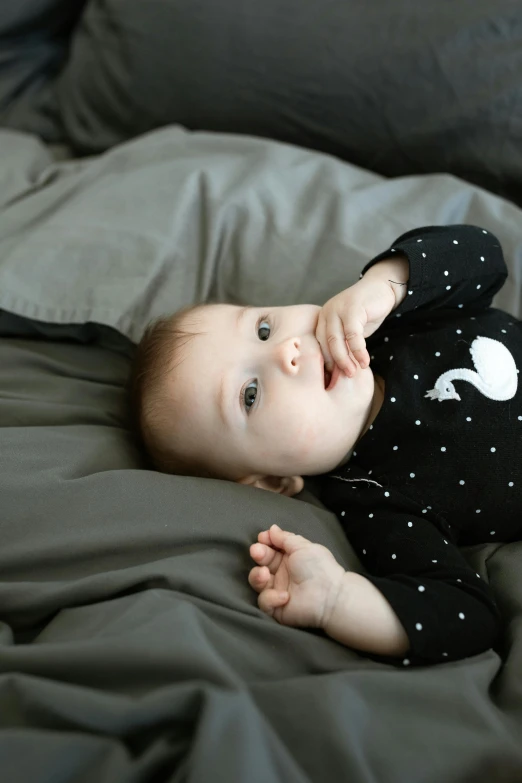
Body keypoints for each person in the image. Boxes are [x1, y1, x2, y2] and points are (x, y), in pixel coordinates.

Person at [129, 224, 521, 666]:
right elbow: (465, 614)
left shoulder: (396, 320)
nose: (287, 350)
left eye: (262, 329)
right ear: (274, 482)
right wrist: (338, 599)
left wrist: (385, 285)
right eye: (250, 395)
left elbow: (485, 256)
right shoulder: (375, 500)